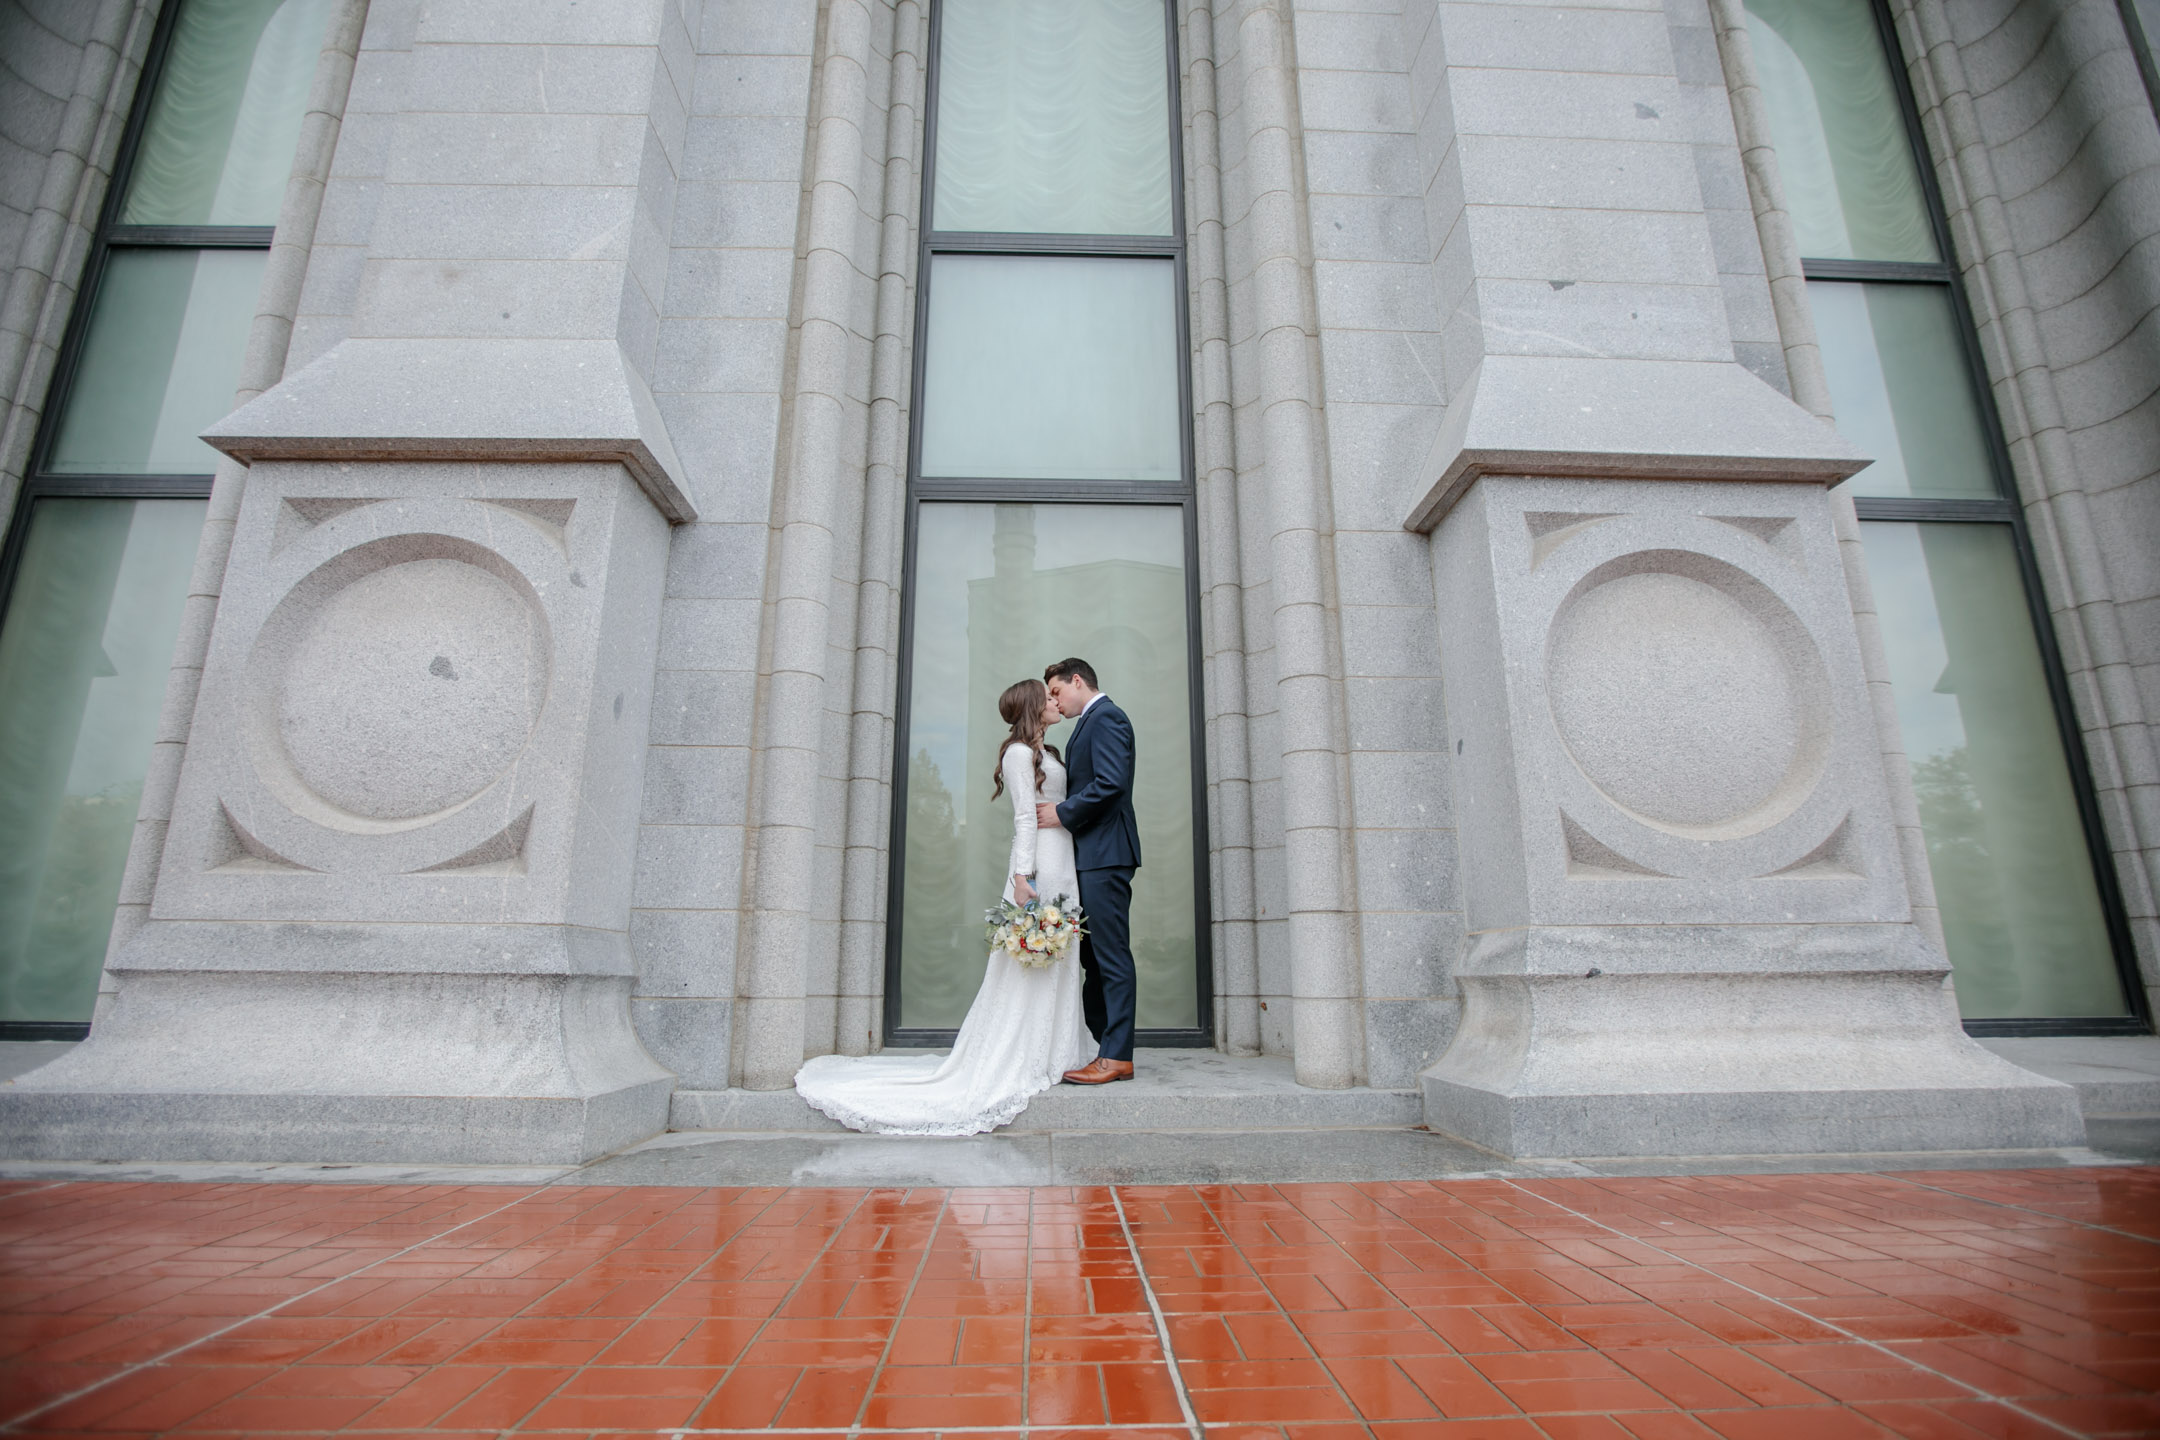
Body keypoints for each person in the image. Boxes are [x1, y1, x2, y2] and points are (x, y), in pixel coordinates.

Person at [794, 678, 1095, 1134]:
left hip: (1065, 860)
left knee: (1060, 954)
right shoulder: (1018, 755)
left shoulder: (1050, 755)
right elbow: (1022, 817)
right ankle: (1021, 1054)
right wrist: (1022, 877)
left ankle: (1059, 1048)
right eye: (1049, 697)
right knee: (1030, 959)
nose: (1057, 702)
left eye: (1058, 695)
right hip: (1040, 865)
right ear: (1034, 706)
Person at [1036, 657, 1141, 1085]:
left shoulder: (1108, 717)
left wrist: (1062, 812)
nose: (1055, 703)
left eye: (1057, 691)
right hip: (1091, 856)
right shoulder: (1089, 722)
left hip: (1106, 854)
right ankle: (1100, 1045)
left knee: (1111, 956)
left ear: (1077, 680)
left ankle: (1116, 1056)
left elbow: (1111, 783)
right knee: (1095, 960)